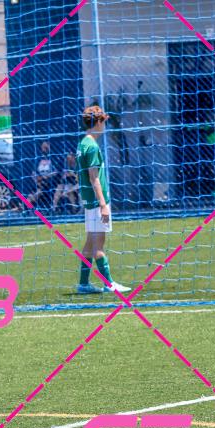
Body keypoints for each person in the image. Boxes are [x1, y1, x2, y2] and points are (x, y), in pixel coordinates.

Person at [76, 105, 130, 294]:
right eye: (104, 121)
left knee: (90, 243)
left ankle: (83, 284)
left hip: (89, 201)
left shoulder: (83, 143)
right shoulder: (91, 146)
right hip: (96, 202)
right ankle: (109, 284)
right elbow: (94, 178)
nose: (105, 125)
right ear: (98, 122)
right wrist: (103, 205)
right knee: (98, 245)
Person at [33, 141, 58, 213]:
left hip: (50, 182)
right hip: (39, 182)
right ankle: (26, 209)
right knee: (32, 194)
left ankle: (51, 210)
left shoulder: (53, 157)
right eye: (43, 147)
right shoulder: (38, 158)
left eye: (46, 147)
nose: (44, 149)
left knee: (40, 191)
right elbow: (33, 172)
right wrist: (36, 179)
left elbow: (56, 171)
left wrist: (45, 177)